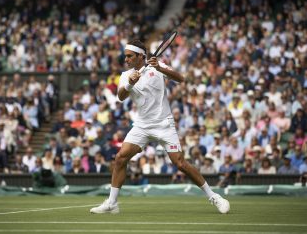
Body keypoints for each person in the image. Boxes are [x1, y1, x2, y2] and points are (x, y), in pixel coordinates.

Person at [90, 39, 230, 214]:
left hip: (164, 124)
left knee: (180, 163)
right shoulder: (126, 75)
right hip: (142, 125)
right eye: (125, 56)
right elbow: (120, 96)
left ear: (141, 56)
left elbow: (181, 79)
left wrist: (160, 69)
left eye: (129, 56)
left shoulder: (158, 67)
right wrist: (130, 83)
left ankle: (214, 196)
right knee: (120, 158)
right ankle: (112, 203)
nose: (126, 59)